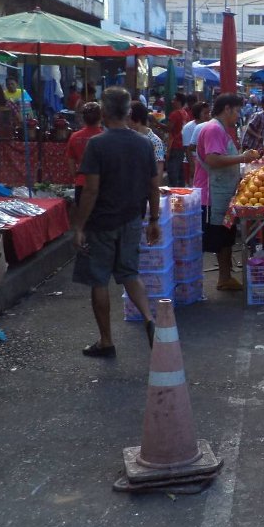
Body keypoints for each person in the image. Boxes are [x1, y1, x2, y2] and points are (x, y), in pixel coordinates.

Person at [70, 87, 160, 358]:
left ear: (105, 112)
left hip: (101, 222)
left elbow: (91, 190)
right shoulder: (144, 143)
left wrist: (79, 225)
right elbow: (154, 186)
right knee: (130, 274)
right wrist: (154, 219)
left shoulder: (97, 144)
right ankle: (148, 318)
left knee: (99, 280)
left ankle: (106, 340)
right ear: (129, 112)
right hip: (132, 218)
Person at [195, 94, 260, 291]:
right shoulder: (214, 128)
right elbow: (213, 159)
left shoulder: (220, 129)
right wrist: (242, 158)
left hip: (221, 191)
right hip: (212, 192)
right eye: (237, 111)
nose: (238, 115)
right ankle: (222, 277)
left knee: (226, 235)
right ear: (227, 109)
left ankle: (225, 277)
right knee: (219, 236)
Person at [67, 101, 103, 204]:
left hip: (81, 183)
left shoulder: (74, 137)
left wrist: (77, 177)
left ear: (83, 118)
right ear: (101, 117)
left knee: (83, 217)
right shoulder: (105, 137)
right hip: (101, 184)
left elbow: (71, 164)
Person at [130, 101, 165, 180]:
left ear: (137, 120)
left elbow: (159, 169)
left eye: (128, 118)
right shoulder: (128, 138)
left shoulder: (155, 141)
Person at [182, 102, 211, 186]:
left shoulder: (209, 125)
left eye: (209, 113)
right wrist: (192, 166)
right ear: (198, 114)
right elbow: (187, 148)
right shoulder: (188, 127)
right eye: (205, 113)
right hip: (192, 160)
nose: (208, 115)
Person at [165, 93, 188, 186]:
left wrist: (155, 122)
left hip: (174, 144)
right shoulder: (185, 113)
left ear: (178, 101)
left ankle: (173, 193)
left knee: (172, 171)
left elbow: (168, 128)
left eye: (174, 100)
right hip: (181, 144)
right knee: (179, 170)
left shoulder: (174, 114)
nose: (172, 102)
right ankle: (180, 190)